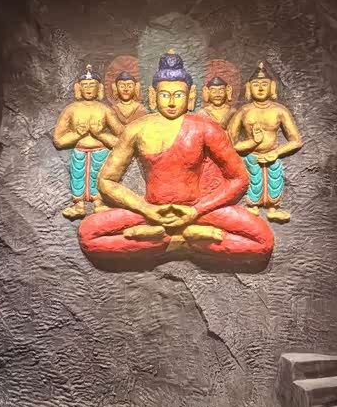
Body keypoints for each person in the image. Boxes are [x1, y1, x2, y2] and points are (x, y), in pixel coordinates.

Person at [78, 51, 273, 262]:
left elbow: (239, 178)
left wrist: (196, 210)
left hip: (198, 210)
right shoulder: (137, 129)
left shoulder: (206, 129)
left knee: (263, 242)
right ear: (153, 95)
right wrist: (145, 209)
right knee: (88, 235)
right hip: (152, 210)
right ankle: (177, 239)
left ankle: (171, 238)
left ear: (191, 96)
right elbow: (106, 181)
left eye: (178, 95)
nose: (171, 102)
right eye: (165, 95)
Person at [227, 61, 302, 223]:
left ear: (272, 87)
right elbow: (231, 142)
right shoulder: (244, 111)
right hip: (251, 156)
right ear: (249, 88)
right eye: (256, 85)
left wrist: (276, 153)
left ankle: (273, 209)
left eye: (264, 84)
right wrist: (253, 143)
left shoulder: (279, 111)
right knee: (254, 181)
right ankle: (252, 206)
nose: (260, 88)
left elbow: (296, 141)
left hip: (273, 156)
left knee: (274, 182)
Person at [52, 64, 122, 220]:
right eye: (85, 85)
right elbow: (58, 140)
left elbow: (122, 140)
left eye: (92, 85)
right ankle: (79, 205)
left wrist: (101, 134)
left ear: (99, 88)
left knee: (99, 177)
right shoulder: (71, 109)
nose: (89, 89)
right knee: (78, 176)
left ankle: (99, 203)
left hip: (101, 152)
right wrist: (77, 134)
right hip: (80, 151)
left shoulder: (105, 110)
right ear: (79, 88)